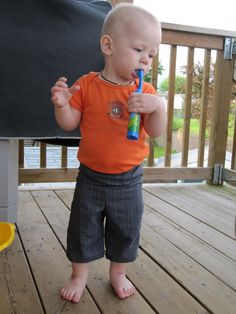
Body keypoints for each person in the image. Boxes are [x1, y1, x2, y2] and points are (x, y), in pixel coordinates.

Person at [51, 3, 166, 303]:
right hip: (90, 177)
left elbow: (155, 131)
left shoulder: (146, 93)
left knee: (125, 228)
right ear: (108, 45)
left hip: (128, 180)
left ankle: (118, 272)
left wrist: (158, 108)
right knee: (82, 227)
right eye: (139, 49)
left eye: (151, 55)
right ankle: (79, 275)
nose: (146, 59)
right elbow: (69, 124)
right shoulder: (87, 85)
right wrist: (63, 105)